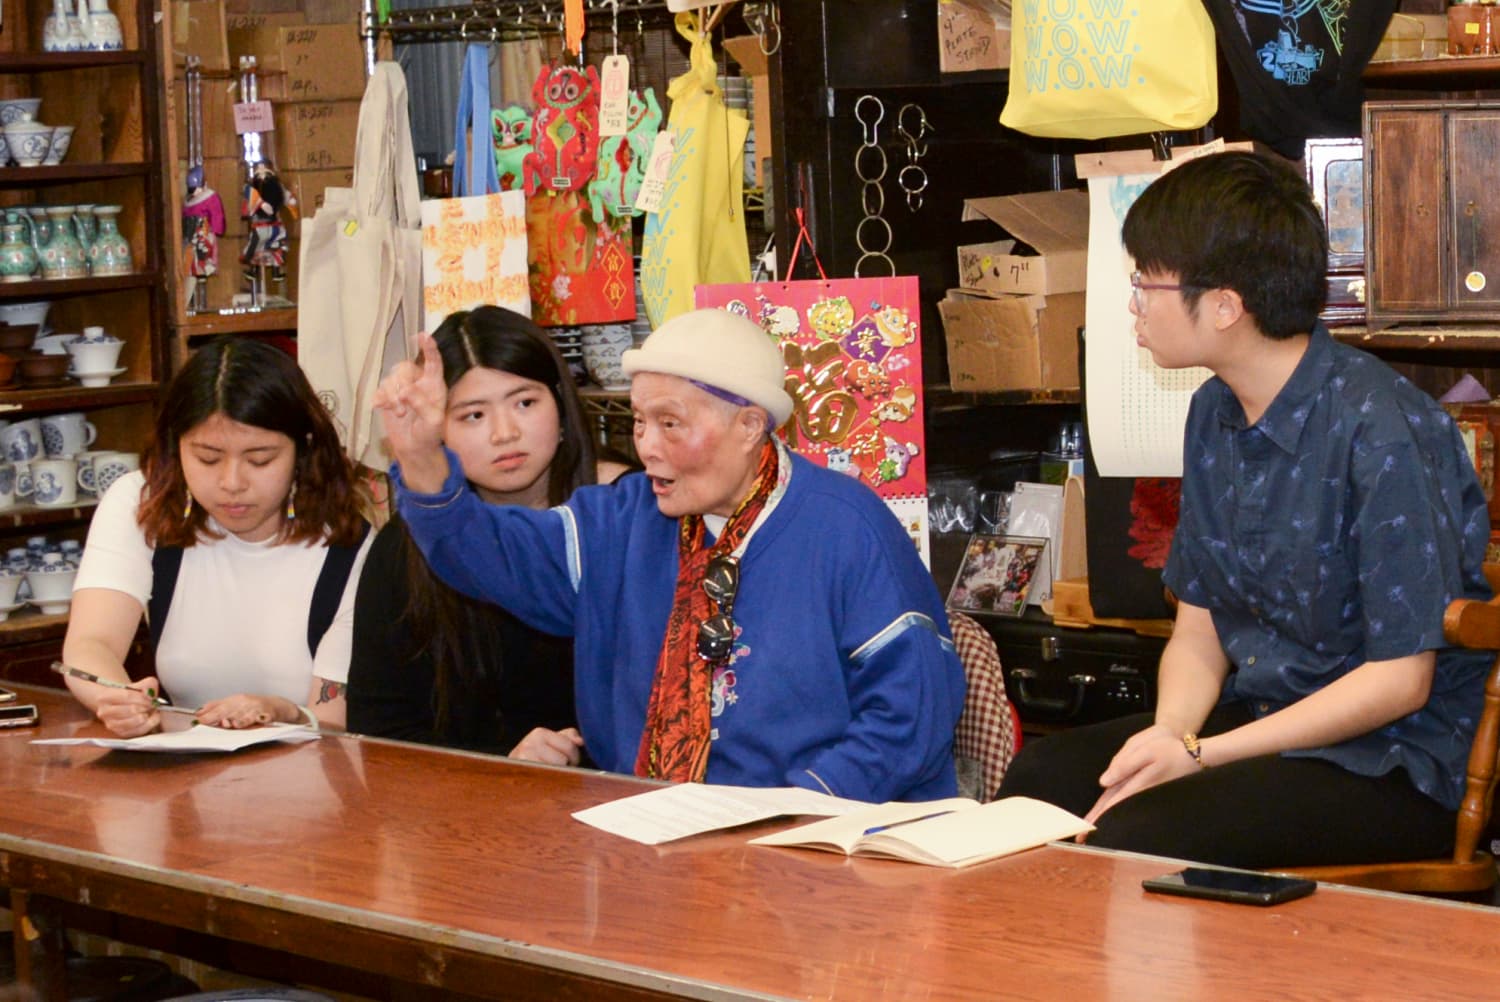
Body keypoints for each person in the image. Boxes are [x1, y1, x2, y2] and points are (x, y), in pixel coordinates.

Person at [997, 151, 1494, 868]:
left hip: (1388, 759)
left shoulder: (1384, 429)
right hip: (1264, 721)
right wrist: (1172, 735)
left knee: (1141, 837)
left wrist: (1201, 754)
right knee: (1037, 787)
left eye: (1146, 283)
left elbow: (1399, 681)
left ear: (1226, 306)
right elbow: (1199, 632)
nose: (1132, 304)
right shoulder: (1213, 412)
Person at [374, 307, 965, 802]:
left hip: (820, 845)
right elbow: (489, 555)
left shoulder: (845, 527)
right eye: (639, 423)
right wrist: (423, 458)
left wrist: (792, 814)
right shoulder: (622, 519)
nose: (648, 448)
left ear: (749, 425)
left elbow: (909, 718)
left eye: (671, 424)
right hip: (648, 837)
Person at [347, 306, 630, 763]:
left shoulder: (626, 513)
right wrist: (502, 761)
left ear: (560, 402)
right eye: (473, 415)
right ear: (436, 429)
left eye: (525, 402)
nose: (505, 434)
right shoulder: (409, 542)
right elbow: (378, 729)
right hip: (471, 809)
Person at [62, 337, 373, 736]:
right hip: (184, 777)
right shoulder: (141, 504)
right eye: (207, 458)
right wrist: (116, 698)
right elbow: (92, 644)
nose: (231, 483)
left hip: (304, 780)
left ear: (304, 449)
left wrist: (282, 711)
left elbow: (333, 723)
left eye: (260, 459)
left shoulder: (349, 548)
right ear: (176, 448)